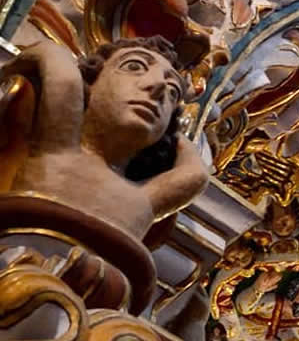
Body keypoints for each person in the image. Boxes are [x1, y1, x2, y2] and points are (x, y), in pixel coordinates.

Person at [1, 37, 208, 238]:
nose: (160, 86)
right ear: (90, 83)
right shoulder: (59, 148)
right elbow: (56, 59)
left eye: (173, 92)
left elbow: (197, 174)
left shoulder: (142, 197)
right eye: (134, 67)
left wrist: (170, 128)